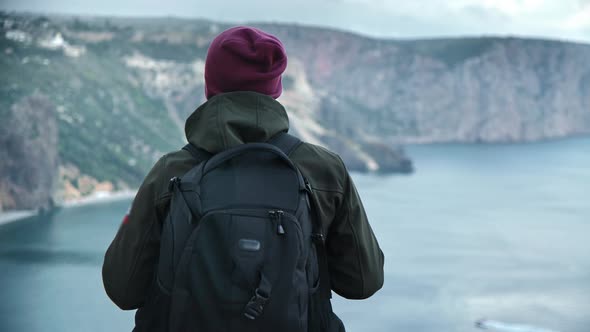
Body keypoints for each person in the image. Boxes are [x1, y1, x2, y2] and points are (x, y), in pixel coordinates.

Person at [102, 26, 384, 331]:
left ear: (211, 86)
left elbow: (122, 289)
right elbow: (363, 281)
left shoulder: (171, 172)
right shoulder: (325, 170)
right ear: (274, 90)